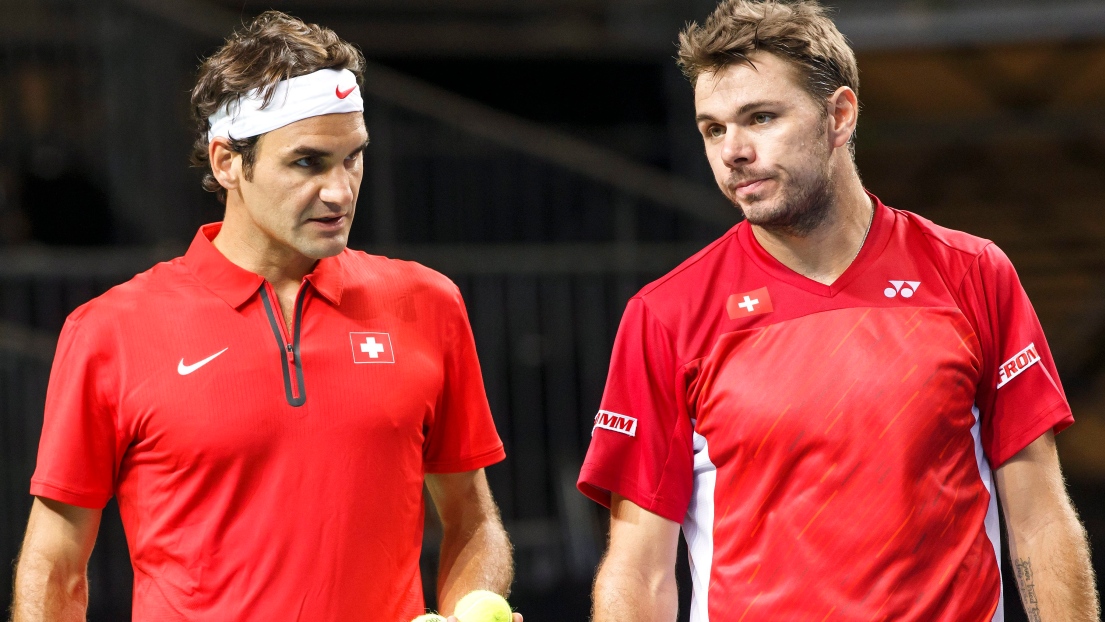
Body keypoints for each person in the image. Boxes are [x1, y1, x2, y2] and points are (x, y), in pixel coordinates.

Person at [577, 1, 1099, 620]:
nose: (733, 151)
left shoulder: (973, 274)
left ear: (840, 115)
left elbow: (1040, 519)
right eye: (713, 129)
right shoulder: (666, 314)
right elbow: (638, 571)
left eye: (760, 117)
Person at [12, 12, 520, 622]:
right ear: (227, 162)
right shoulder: (107, 330)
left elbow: (472, 518)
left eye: (352, 159)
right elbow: (56, 565)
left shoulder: (429, 303)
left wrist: (471, 607)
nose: (340, 191)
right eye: (308, 163)